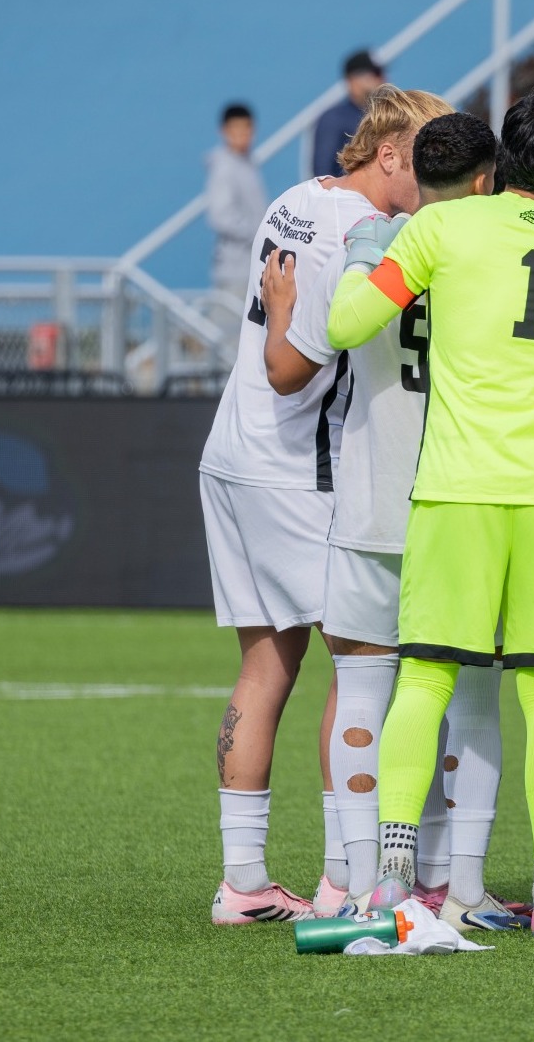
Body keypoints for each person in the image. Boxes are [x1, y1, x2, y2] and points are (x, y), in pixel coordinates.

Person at [328, 89, 534, 937]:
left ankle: (396, 876)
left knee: (426, 676)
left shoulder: (442, 228)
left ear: (501, 164)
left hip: (455, 489)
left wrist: (367, 249)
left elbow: (344, 323)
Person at [201, 85, 451, 926]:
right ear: (389, 155)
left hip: (231, 456)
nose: (437, 179)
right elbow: (290, 367)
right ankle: (348, 876)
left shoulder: (292, 198)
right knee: (364, 659)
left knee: (267, 664)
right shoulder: (362, 233)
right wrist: (289, 324)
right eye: (427, 156)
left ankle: (244, 882)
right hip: (296, 469)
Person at [273, 112, 522, 933]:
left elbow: (315, 347)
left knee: (362, 686)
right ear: (484, 179)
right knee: (473, 698)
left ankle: (349, 878)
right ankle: (461, 883)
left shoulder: (376, 245)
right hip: (461, 501)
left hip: (372, 496)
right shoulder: (493, 250)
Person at [207, 103, 267, 295]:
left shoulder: (247, 163)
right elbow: (221, 217)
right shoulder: (224, 167)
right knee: (227, 323)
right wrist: (259, 233)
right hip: (235, 268)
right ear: (224, 131)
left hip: (251, 264)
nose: (242, 134)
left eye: (247, 127)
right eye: (236, 128)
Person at [313, 51, 387, 179]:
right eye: (375, 73)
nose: (382, 79)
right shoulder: (334, 118)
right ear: (352, 79)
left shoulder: (386, 115)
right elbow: (322, 172)